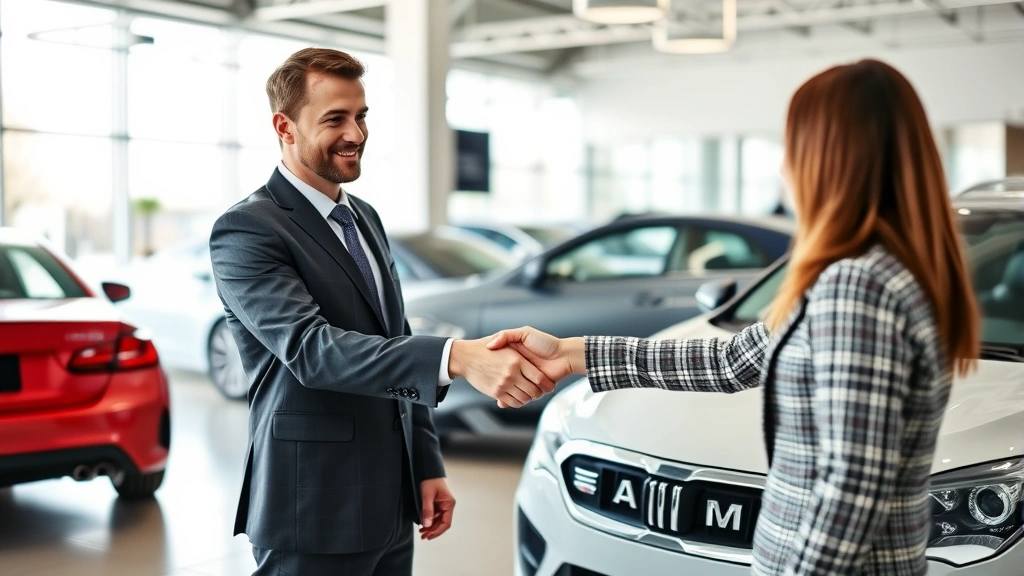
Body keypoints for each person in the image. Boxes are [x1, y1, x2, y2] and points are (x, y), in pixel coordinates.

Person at [488, 59, 980, 576]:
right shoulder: (885, 273)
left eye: (794, 146)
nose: (784, 167)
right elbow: (732, 361)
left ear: (832, 158)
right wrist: (572, 353)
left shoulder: (857, 287)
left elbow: (852, 489)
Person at [209, 48, 554, 576]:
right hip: (314, 505)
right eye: (335, 119)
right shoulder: (248, 230)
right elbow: (313, 351)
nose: (356, 133)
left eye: (361, 115)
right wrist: (458, 358)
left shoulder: (364, 218)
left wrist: (426, 464)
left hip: (391, 498)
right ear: (284, 127)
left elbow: (395, 336)